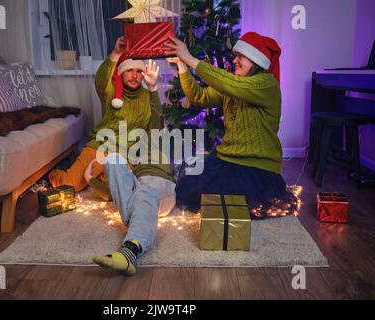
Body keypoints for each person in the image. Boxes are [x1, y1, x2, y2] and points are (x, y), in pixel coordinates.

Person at [165, 32, 293, 216]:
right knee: (190, 181)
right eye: (235, 56)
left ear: (257, 61)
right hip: (228, 161)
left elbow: (231, 85)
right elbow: (198, 96)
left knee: (225, 200)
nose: (235, 61)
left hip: (256, 170)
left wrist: (191, 58)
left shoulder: (266, 84)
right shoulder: (234, 84)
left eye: (241, 56)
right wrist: (181, 64)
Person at [90, 61, 176, 276]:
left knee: (145, 191)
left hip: (160, 190)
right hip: (138, 186)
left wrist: (153, 88)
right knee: (112, 160)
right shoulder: (132, 145)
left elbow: (156, 118)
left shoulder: (157, 138)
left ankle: (130, 251)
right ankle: (138, 221)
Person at [49, 36, 157, 191]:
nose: (134, 76)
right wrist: (116, 53)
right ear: (121, 73)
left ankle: (96, 173)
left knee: (118, 191)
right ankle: (60, 172)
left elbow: (152, 129)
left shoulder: (148, 97)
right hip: (99, 147)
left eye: (139, 71)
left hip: (124, 156)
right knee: (68, 185)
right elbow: (101, 79)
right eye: (129, 71)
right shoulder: (112, 91)